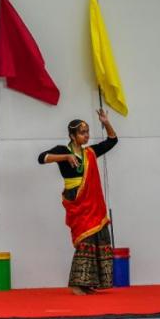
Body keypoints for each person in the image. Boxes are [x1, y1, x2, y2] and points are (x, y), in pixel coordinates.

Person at [37, 109, 118, 295]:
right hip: (76, 199)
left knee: (99, 236)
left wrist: (106, 122)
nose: (86, 135)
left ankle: (89, 283)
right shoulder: (63, 150)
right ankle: (76, 284)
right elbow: (41, 158)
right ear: (72, 136)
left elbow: (112, 141)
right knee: (85, 239)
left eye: (87, 132)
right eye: (82, 133)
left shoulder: (89, 152)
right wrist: (65, 157)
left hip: (93, 201)